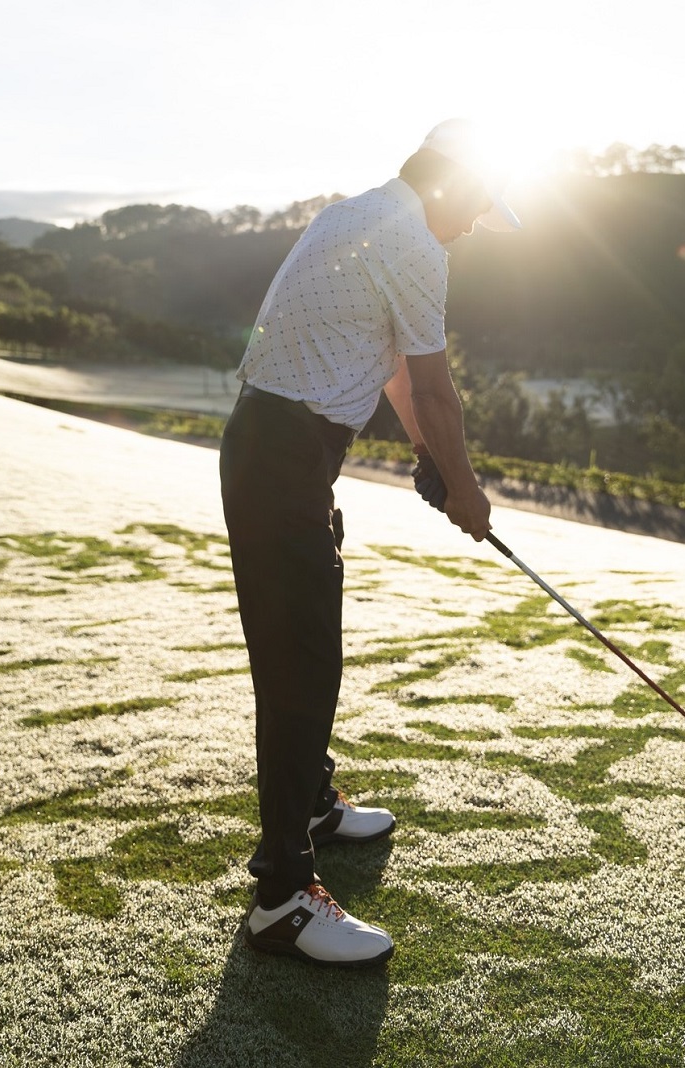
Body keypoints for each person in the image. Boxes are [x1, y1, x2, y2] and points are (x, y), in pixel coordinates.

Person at [219, 119, 520, 967]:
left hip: (279, 453)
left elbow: (387, 367)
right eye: (477, 208)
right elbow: (435, 386)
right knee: (302, 665)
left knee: (299, 655)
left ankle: (311, 804)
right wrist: (465, 490)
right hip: (284, 458)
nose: (472, 226)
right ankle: (281, 896)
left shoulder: (348, 217)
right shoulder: (421, 242)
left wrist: (428, 456)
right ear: (454, 188)